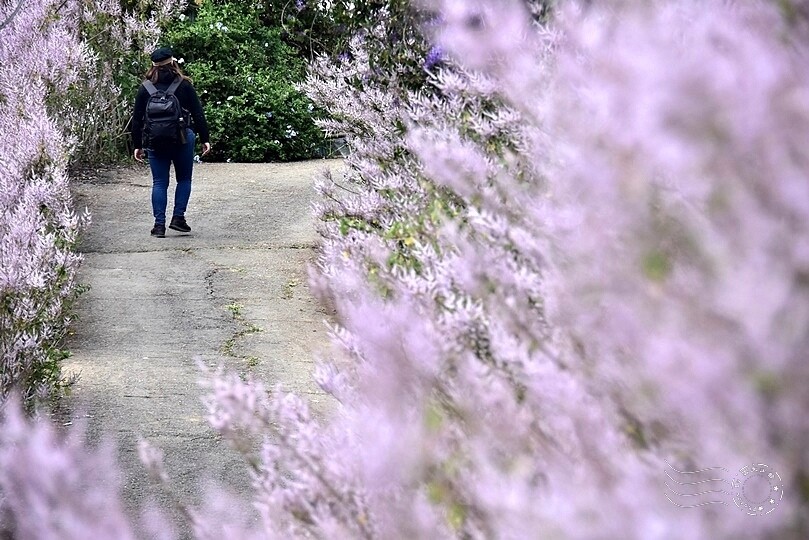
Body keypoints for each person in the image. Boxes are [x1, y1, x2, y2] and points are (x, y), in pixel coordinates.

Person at [132, 47, 211, 238]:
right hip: (183, 139)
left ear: (153, 66)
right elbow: (198, 113)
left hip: (155, 141)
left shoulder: (145, 88)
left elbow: (137, 119)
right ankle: (178, 218)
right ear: (173, 63)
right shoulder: (184, 85)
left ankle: (159, 226)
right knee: (183, 179)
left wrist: (137, 145)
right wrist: (205, 139)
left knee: (159, 182)